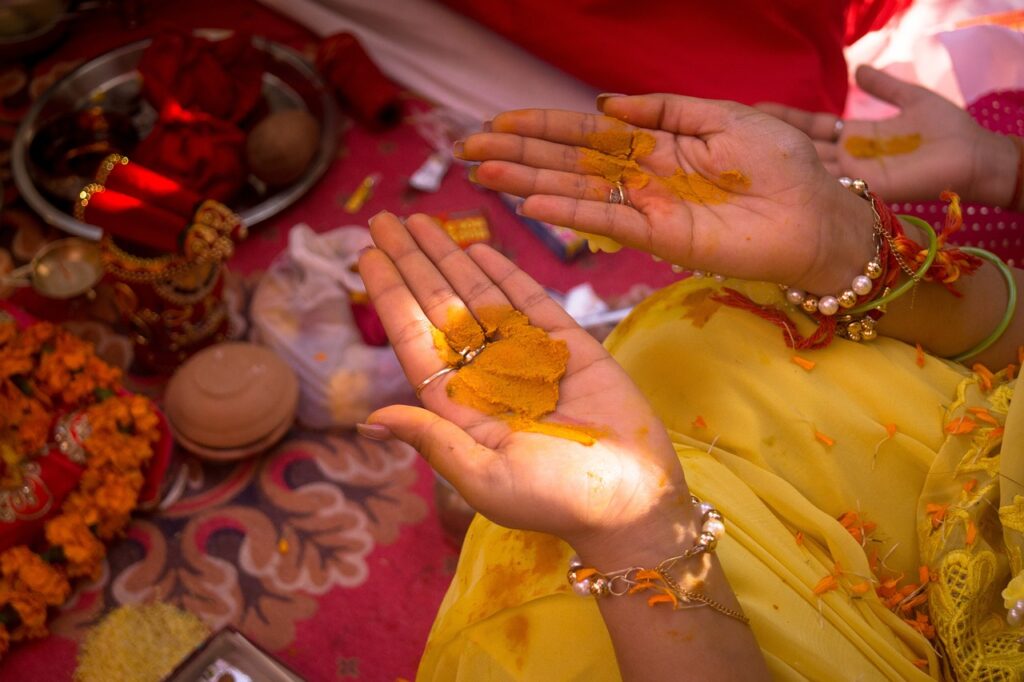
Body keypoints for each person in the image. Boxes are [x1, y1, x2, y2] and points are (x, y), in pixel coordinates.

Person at [356, 92, 1024, 680]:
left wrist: (639, 534)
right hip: (964, 433)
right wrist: (842, 248)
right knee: (690, 338)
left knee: (551, 624)